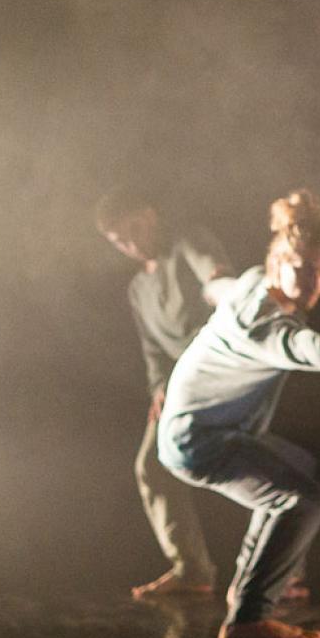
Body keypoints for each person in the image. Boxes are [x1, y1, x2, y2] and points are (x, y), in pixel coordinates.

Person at [158, 190, 320, 638]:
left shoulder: (252, 283)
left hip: (201, 430)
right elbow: (298, 346)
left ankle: (253, 583)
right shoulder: (264, 322)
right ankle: (248, 618)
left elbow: (221, 287)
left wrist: (211, 285)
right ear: (277, 262)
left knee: (297, 466)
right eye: (302, 269)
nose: (313, 282)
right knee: (306, 501)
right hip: (200, 441)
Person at [98, 192, 237, 601]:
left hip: (217, 369)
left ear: (151, 214)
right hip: (177, 384)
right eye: (120, 241)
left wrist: (221, 283)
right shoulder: (138, 288)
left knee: (245, 461)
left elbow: (216, 273)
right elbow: (152, 350)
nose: (132, 245)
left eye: (135, 230)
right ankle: (192, 570)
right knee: (152, 468)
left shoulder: (188, 243)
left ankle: (286, 572)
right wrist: (159, 388)